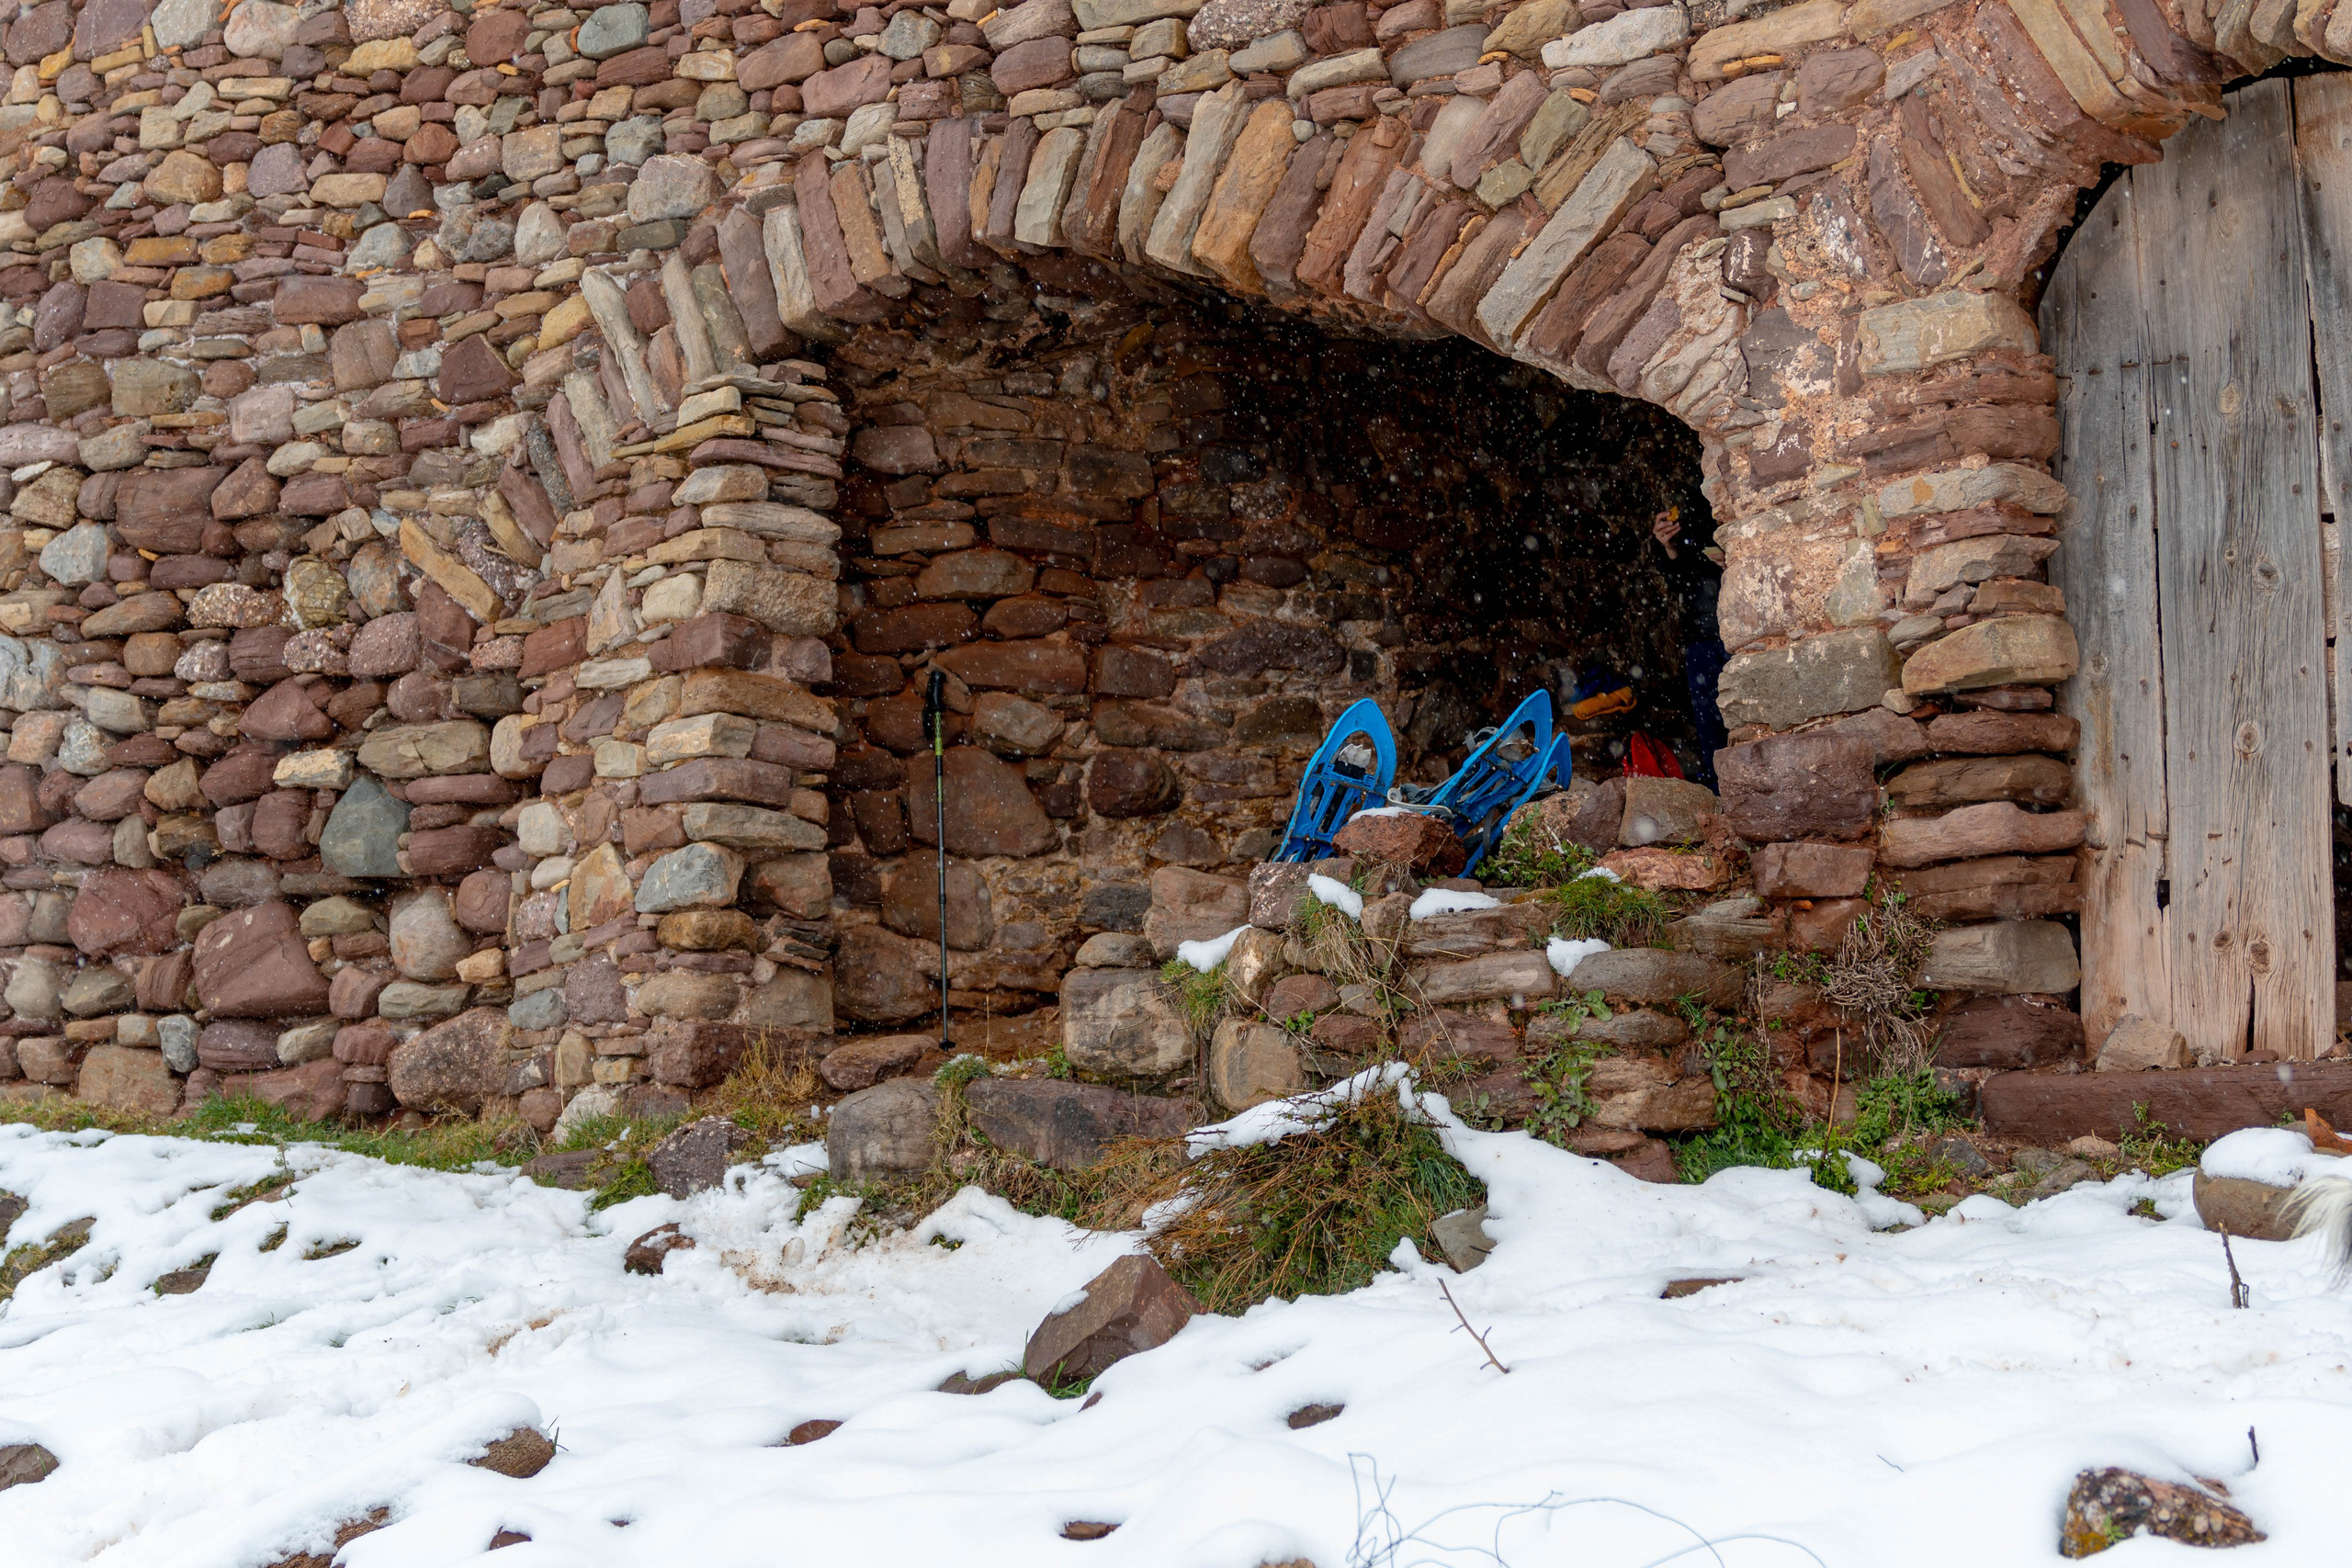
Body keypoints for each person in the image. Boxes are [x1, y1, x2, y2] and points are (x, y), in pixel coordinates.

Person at [1652, 506, 1727, 788]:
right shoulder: (1687, 507)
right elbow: (1680, 578)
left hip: (1743, 631)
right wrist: (1668, 547)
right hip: (1703, 636)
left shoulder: (1738, 496)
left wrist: (1739, 557)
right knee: (1711, 727)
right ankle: (1720, 796)